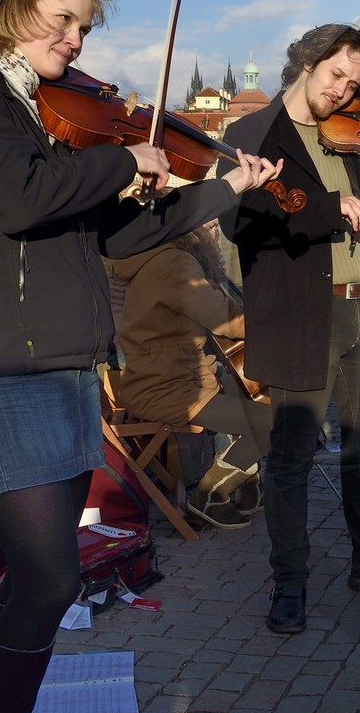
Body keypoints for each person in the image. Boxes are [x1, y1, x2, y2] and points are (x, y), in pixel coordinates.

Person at [0, 0, 281, 713]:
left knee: (53, 581)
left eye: (83, 27)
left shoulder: (43, 113)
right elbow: (19, 197)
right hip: (4, 368)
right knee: (41, 580)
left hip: (66, 363)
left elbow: (118, 237)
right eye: (60, 20)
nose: (73, 42)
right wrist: (127, 158)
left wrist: (217, 186)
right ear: (14, 6)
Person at [223, 24, 360, 637]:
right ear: (306, 61)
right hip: (303, 315)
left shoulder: (352, 137)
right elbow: (242, 221)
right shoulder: (250, 133)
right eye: (335, 75)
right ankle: (289, 582)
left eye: (353, 82)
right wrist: (326, 209)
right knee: (292, 457)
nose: (342, 90)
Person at [109, 221, 270, 529]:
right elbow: (224, 319)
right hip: (168, 388)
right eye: (208, 223)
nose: (214, 231)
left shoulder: (158, 257)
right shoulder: (172, 262)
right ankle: (210, 494)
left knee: (251, 396)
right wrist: (274, 321)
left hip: (176, 379)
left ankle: (248, 491)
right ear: (188, 227)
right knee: (275, 423)